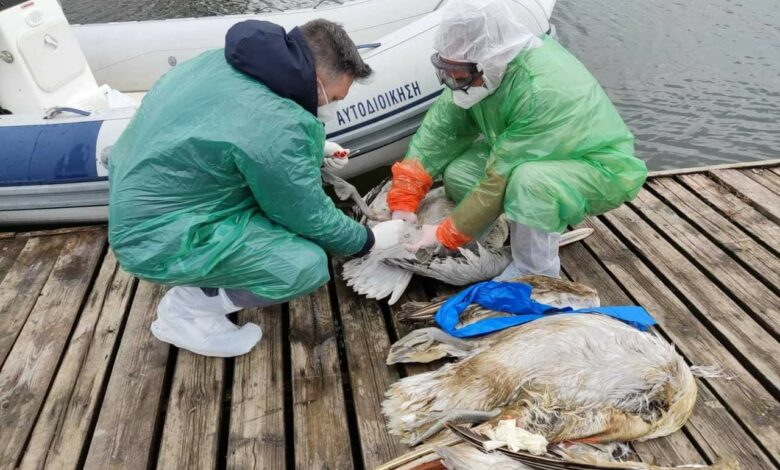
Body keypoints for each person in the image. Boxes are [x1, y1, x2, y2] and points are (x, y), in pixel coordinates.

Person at [108, 19, 404, 357]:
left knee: (278, 214)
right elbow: (308, 214)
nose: (332, 105)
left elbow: (231, 132)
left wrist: (314, 148)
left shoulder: (222, 61)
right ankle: (188, 310)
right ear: (318, 82)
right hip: (153, 238)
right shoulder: (278, 125)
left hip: (147, 202)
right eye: (334, 97)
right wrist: (369, 240)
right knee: (304, 265)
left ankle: (207, 276)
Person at [389, 0, 647, 279]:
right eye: (446, 71)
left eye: (460, 74)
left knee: (529, 182)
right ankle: (498, 228)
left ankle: (534, 272)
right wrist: (405, 196)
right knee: (459, 172)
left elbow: (499, 177)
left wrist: (446, 234)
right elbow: (439, 133)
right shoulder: (482, 71)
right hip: (530, 154)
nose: (453, 81)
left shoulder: (539, 90)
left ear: (490, 60)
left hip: (596, 166)